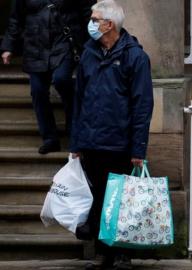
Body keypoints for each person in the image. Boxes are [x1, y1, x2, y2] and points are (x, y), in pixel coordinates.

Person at [70, 1, 154, 269]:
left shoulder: (135, 56)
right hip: (92, 141)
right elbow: (79, 99)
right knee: (100, 198)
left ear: (109, 25)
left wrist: (138, 150)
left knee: (120, 199)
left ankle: (122, 254)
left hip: (119, 142)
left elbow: (142, 105)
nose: (91, 23)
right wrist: (76, 142)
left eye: (95, 19)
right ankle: (104, 254)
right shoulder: (89, 53)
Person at [0, 0, 95, 154]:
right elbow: (15, 18)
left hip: (64, 42)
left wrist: (94, 44)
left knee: (62, 79)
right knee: (38, 90)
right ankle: (50, 138)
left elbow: (88, 13)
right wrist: (8, 46)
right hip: (35, 45)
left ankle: (74, 131)